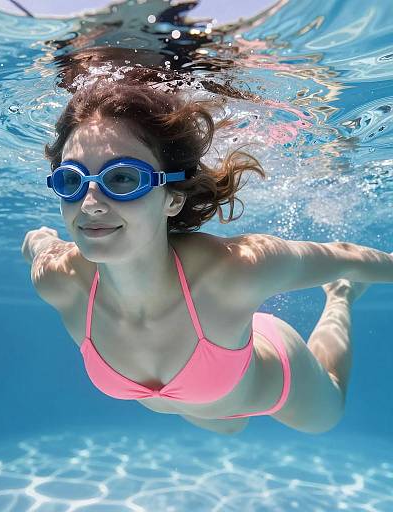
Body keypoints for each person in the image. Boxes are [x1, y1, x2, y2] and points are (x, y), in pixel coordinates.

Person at [21, 77, 393, 436]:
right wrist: (39, 238)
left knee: (325, 417)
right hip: (202, 403)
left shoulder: (235, 270)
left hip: (273, 381)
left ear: (172, 197)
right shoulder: (58, 279)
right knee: (227, 426)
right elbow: (38, 246)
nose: (90, 204)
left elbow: (342, 256)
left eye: (122, 179)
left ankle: (341, 296)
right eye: (71, 180)